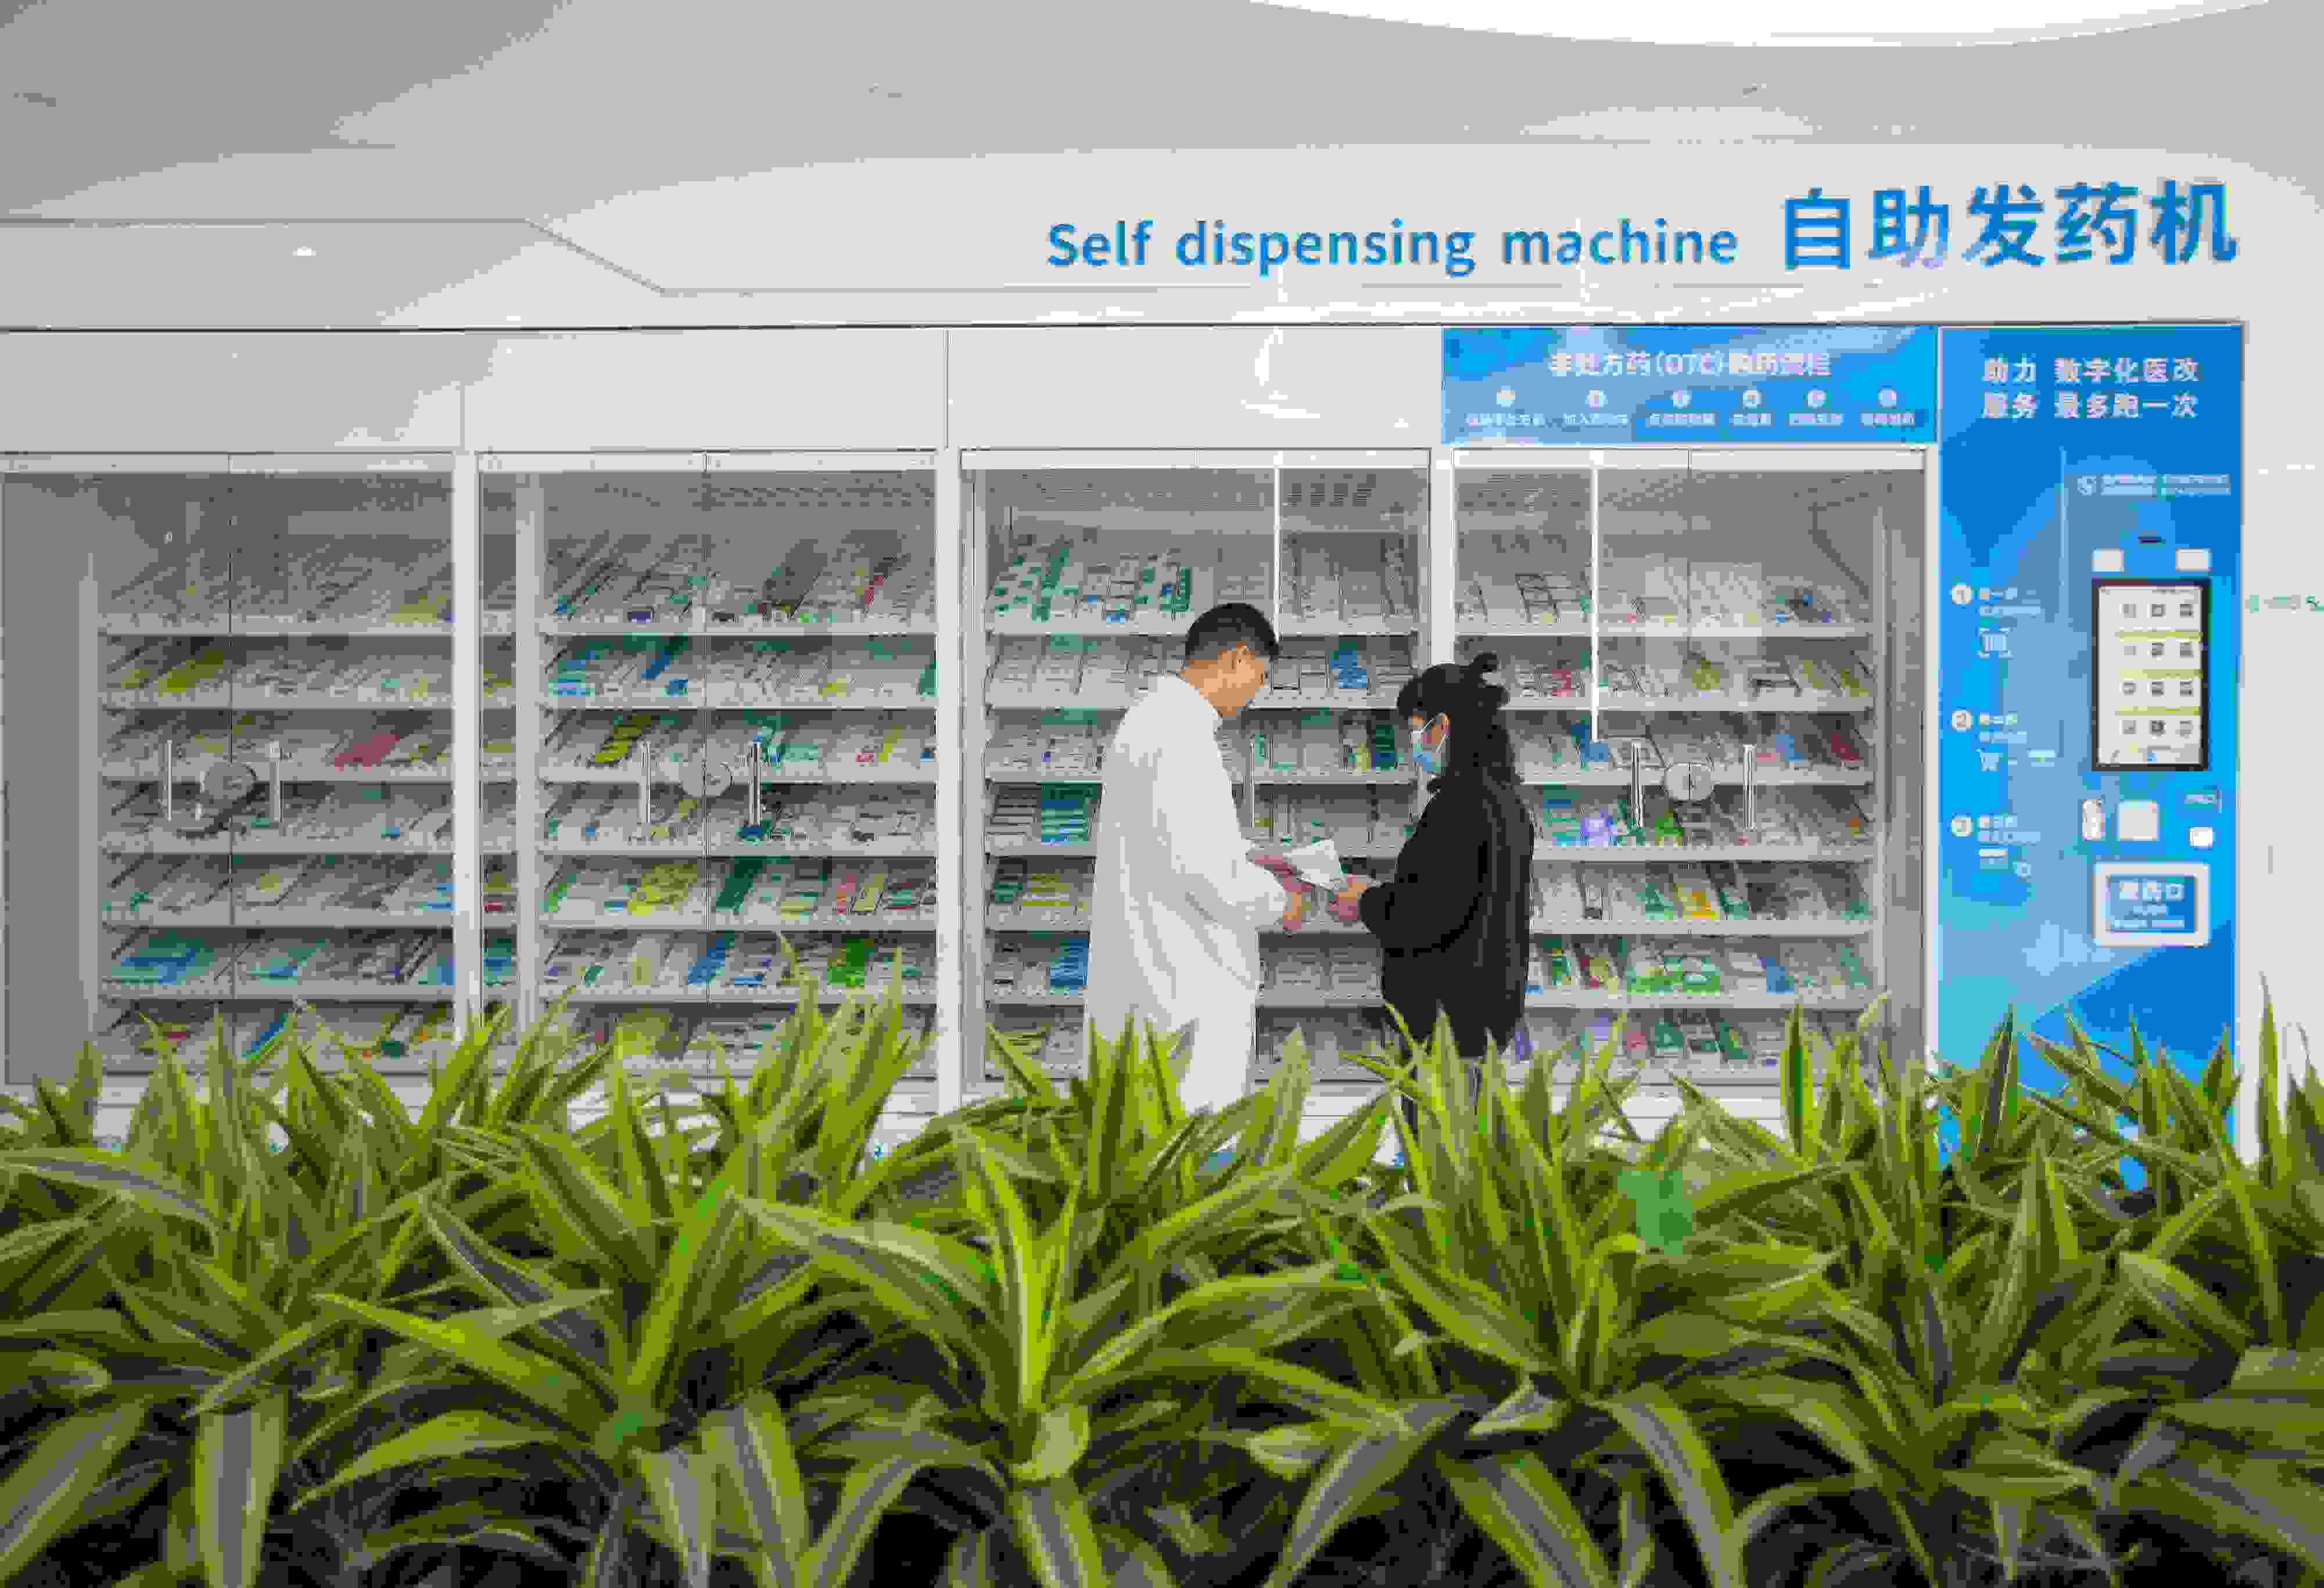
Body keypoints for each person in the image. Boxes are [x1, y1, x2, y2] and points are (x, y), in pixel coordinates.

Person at [1086, 602, 1299, 1121]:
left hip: (1151, 970)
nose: (1256, 692)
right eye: (1260, 677)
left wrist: (1245, 857)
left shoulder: (1146, 723)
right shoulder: (1184, 739)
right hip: (1186, 984)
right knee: (1194, 1141)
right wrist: (1280, 900)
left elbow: (1171, 844)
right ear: (1238, 658)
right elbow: (1208, 876)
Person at [1335, 653, 1535, 1139]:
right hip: (1482, 1019)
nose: (1414, 745)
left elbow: (1424, 915)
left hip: (1448, 1030)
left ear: (1442, 727)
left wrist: (1365, 900)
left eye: (1416, 730)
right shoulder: (1503, 800)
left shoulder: (1461, 806)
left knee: (1439, 1156)